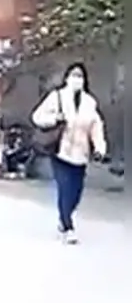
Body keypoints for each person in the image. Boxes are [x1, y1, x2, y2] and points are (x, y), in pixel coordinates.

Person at [31, 62, 108, 243]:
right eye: (73, 75)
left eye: (80, 76)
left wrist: (100, 148)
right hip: (61, 151)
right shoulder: (57, 97)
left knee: (76, 192)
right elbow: (37, 117)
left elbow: (96, 127)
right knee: (65, 189)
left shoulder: (90, 102)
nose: (77, 79)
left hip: (81, 154)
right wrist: (54, 118)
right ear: (67, 78)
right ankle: (68, 226)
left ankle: (64, 218)